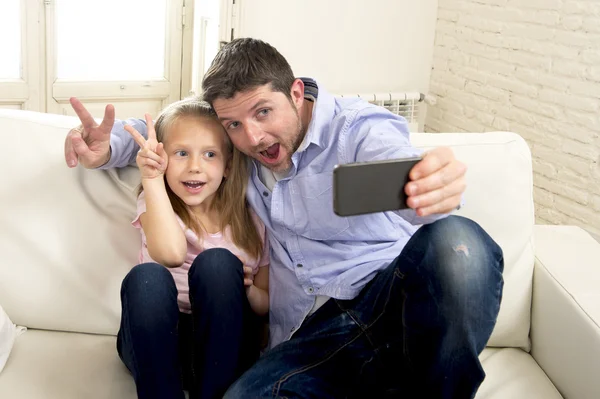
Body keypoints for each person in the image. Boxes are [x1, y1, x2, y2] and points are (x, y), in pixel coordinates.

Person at [64, 38, 504, 398]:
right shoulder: (234, 151)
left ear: (295, 93)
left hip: (385, 305)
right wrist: (108, 148)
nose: (252, 137)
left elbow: (396, 161)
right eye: (233, 125)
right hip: (310, 341)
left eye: (263, 113)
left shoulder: (356, 129)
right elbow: (178, 131)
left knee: (456, 241)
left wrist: (430, 179)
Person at [115, 98, 270, 399]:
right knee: (145, 279)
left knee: (218, 264)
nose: (195, 167)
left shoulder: (252, 220)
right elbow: (171, 254)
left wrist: (247, 290)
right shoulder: (157, 203)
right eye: (181, 153)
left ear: (227, 166)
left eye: (210, 154)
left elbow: (265, 304)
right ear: (163, 158)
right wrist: (152, 178)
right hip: (162, 344)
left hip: (224, 343)